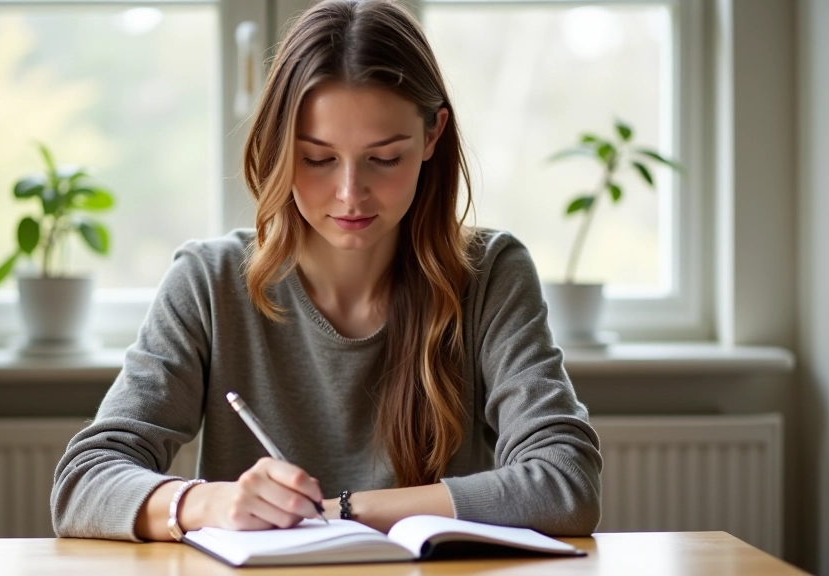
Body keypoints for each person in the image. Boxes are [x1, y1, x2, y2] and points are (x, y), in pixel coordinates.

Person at [51, 0, 601, 542]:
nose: (350, 193)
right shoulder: (208, 282)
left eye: (384, 158)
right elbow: (83, 483)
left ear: (432, 135)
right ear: (279, 145)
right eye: (317, 159)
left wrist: (341, 511)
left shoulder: (489, 275)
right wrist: (210, 503)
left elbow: (565, 482)